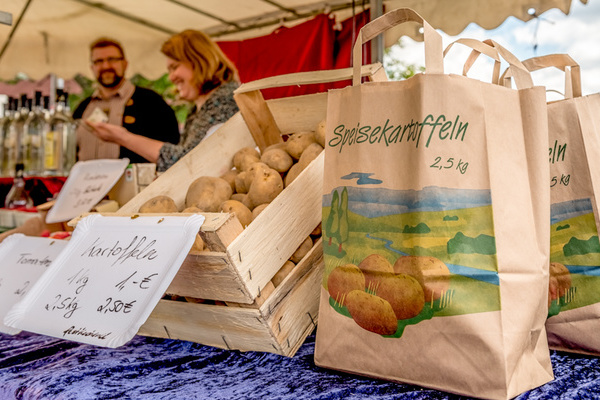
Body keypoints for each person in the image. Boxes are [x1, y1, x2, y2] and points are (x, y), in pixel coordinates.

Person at [85, 30, 240, 172]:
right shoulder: (198, 108)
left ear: (199, 61)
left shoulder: (225, 99)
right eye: (98, 61)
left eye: (175, 67)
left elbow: (189, 161)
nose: (171, 77)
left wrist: (123, 137)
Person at [73, 37, 180, 164]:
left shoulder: (151, 102)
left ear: (125, 64)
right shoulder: (82, 109)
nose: (106, 66)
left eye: (112, 59)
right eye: (99, 61)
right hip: (85, 183)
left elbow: (171, 150)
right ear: (92, 68)